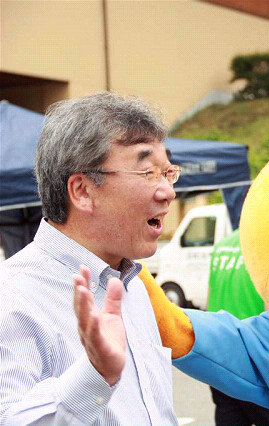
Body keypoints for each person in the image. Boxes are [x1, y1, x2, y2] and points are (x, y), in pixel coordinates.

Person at [0, 91, 179, 424]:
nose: (168, 192)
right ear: (82, 191)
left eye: (168, 173)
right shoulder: (11, 298)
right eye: (148, 173)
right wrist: (95, 374)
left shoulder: (134, 285)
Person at [205, 229, 269, 426]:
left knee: (229, 415)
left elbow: (209, 298)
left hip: (218, 352)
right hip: (253, 355)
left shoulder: (222, 246)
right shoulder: (267, 245)